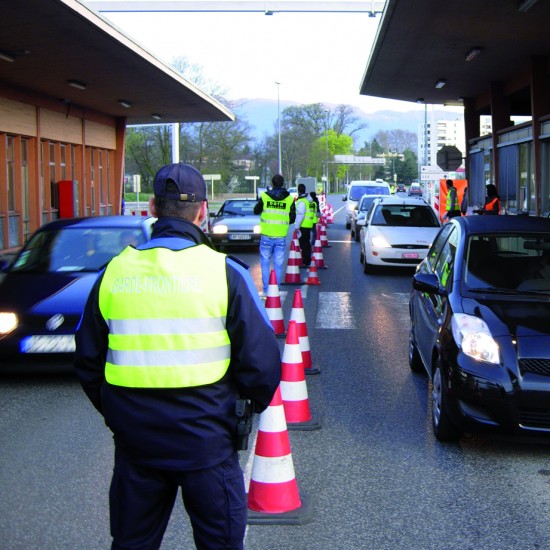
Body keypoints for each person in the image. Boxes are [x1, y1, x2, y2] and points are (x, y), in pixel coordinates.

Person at [74, 162, 281, 550]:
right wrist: (239, 410)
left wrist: (119, 413)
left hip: (136, 446)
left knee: (133, 543)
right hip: (208, 444)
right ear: (202, 211)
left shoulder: (114, 273)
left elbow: (87, 360)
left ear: (152, 206)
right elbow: (263, 364)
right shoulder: (225, 273)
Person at [253, 174, 296, 295]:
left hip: (266, 235)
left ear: (272, 183)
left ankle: (266, 290)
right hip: (281, 235)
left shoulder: (265, 196)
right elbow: (292, 218)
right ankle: (275, 290)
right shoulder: (289, 199)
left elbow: (256, 210)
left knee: (265, 262)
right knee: (278, 264)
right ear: (282, 183)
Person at [295, 183, 314, 268]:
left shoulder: (302, 201)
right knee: (307, 243)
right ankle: (308, 259)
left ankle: (306, 261)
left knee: (303, 244)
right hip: (308, 225)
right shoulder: (308, 200)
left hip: (303, 225)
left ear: (298, 190)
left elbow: (300, 214)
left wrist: (297, 226)